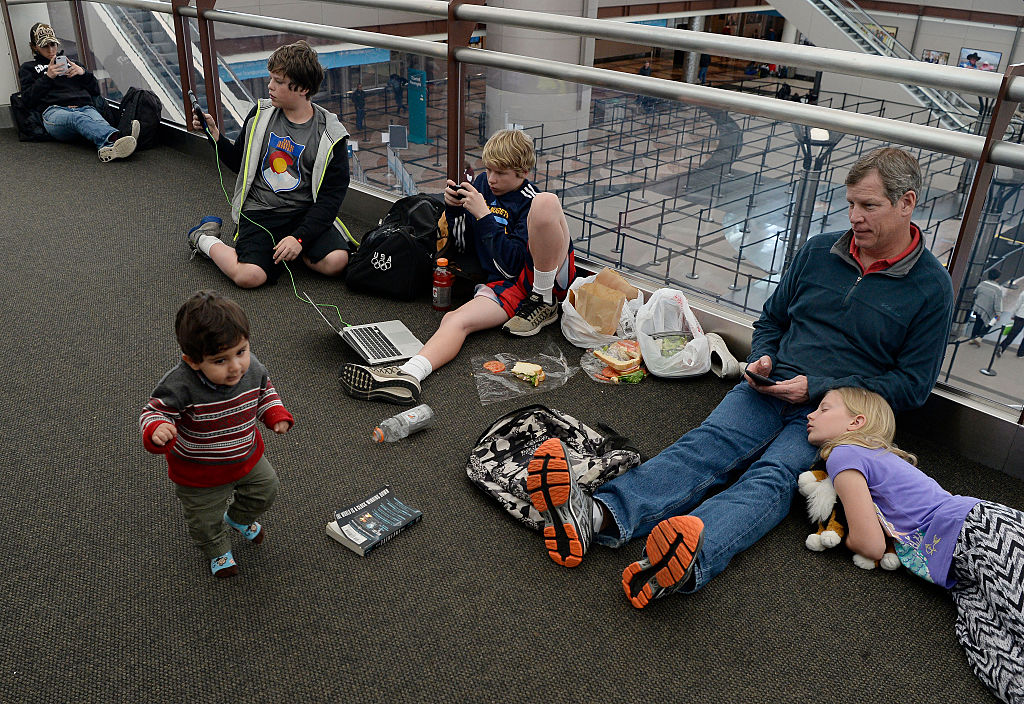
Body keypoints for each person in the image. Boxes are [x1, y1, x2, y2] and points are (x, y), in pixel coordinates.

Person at [524, 147, 955, 609]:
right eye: (850, 203)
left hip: (840, 413)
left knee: (773, 478)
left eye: (869, 205)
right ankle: (598, 516)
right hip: (771, 384)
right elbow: (772, 321)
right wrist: (764, 357)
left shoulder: (931, 288)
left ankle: (686, 558)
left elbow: (911, 387)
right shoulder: (819, 251)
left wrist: (817, 387)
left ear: (907, 203)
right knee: (705, 445)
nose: (854, 217)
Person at [807, 387, 1023, 703]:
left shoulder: (843, 454)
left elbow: (870, 544)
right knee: (995, 657)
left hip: (975, 532)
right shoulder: (871, 455)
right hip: (957, 561)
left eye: (824, 409)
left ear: (856, 422)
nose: (811, 415)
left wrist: (844, 538)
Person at [338, 129, 575, 405]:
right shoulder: (483, 184)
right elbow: (464, 246)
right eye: (489, 169)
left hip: (542, 276)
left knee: (546, 202)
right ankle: (410, 374)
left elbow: (511, 265)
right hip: (504, 285)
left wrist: (484, 215)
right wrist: (454, 210)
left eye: (501, 173)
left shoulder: (527, 197)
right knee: (453, 320)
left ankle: (544, 302)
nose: (492, 179)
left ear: (523, 172)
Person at [139, 291, 295, 578]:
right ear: (193, 361)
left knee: (266, 489)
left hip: (246, 456)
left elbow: (264, 391)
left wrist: (274, 412)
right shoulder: (179, 385)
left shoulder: (251, 368)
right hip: (200, 472)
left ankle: (238, 518)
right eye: (220, 360)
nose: (236, 366)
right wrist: (157, 428)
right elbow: (153, 412)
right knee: (204, 520)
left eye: (241, 351)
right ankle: (217, 550)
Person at [189, 40, 355, 289]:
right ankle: (204, 238)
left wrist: (299, 238)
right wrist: (216, 137)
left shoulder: (330, 134)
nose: (270, 86)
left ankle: (289, 250)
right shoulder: (260, 114)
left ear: (303, 88)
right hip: (260, 212)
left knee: (337, 261)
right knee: (249, 277)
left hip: (302, 214)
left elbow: (330, 200)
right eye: (271, 79)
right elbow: (238, 162)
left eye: (278, 81)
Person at [17, 23, 138, 162]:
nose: (51, 50)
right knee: (78, 118)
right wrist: (47, 78)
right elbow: (27, 100)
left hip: (84, 107)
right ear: (34, 47)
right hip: (54, 112)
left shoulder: (73, 63)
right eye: (45, 46)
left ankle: (109, 148)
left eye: (53, 44)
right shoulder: (29, 68)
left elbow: (96, 91)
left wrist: (83, 74)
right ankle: (120, 137)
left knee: (98, 122)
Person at [967, 269, 1003, 346]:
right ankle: (980, 337)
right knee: (991, 322)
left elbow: (975, 293)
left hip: (978, 307)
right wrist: (998, 313)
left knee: (977, 322)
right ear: (997, 278)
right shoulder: (998, 289)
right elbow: (997, 303)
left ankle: (972, 338)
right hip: (989, 310)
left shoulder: (982, 283)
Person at [996, 289, 1024, 358]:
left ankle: (1002, 347)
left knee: (1013, 333)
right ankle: (1020, 353)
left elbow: (1018, 303)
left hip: (1020, 315)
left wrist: (1013, 314)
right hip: (1021, 315)